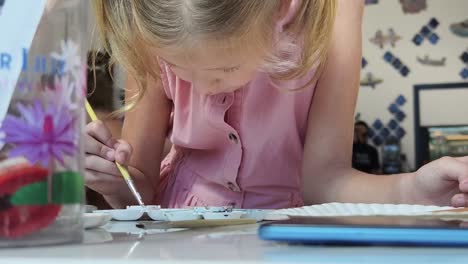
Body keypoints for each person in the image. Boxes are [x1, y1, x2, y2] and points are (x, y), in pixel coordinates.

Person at [86, 0, 468, 209]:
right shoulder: (151, 21)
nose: (200, 87)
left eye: (225, 67)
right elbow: (141, 192)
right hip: (175, 234)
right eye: (178, 69)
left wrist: (413, 191)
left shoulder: (333, 11)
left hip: (288, 233)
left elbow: (326, 184)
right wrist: (115, 182)